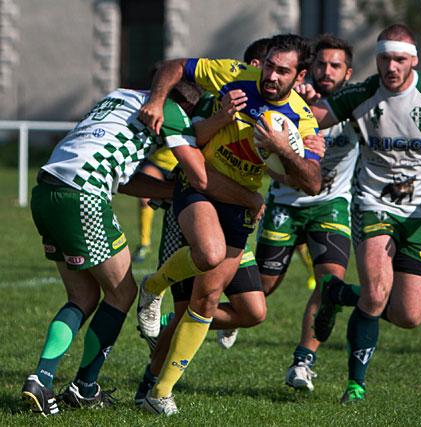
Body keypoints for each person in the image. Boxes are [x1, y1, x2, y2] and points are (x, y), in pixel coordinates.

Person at [21, 81, 237, 416]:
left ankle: (43, 380)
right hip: (83, 194)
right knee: (122, 294)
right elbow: (198, 176)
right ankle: (82, 386)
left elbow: (126, 181)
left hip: (47, 191)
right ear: (190, 108)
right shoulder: (173, 113)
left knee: (82, 297)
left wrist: (166, 190)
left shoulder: (118, 96)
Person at [299, 24, 421, 403]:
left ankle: (335, 293)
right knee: (375, 294)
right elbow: (311, 116)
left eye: (400, 59)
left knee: (408, 316)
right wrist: (299, 113)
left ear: (413, 60)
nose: (391, 66)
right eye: (385, 58)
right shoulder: (362, 93)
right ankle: (355, 385)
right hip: (373, 205)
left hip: (419, 216)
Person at [135, 34, 323, 415]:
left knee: (246, 311)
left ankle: (157, 390)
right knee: (208, 258)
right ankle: (154, 303)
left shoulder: (302, 119)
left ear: (299, 75)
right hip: (200, 186)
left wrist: (282, 148)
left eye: (281, 71)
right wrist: (156, 100)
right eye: (268, 65)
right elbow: (175, 67)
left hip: (239, 205)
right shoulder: (234, 75)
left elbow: (313, 181)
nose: (270, 75)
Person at [250, 34, 358, 393]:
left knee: (330, 285)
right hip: (284, 203)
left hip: (331, 204)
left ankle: (302, 362)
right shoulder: (292, 101)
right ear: (308, 71)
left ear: (348, 72)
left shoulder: (359, 104)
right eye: (321, 64)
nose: (327, 71)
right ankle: (228, 315)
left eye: (335, 65)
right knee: (262, 289)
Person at [131, 147, 178, 263]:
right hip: (155, 163)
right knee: (144, 198)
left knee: (175, 206)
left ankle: (174, 245)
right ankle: (144, 244)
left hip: (179, 166)